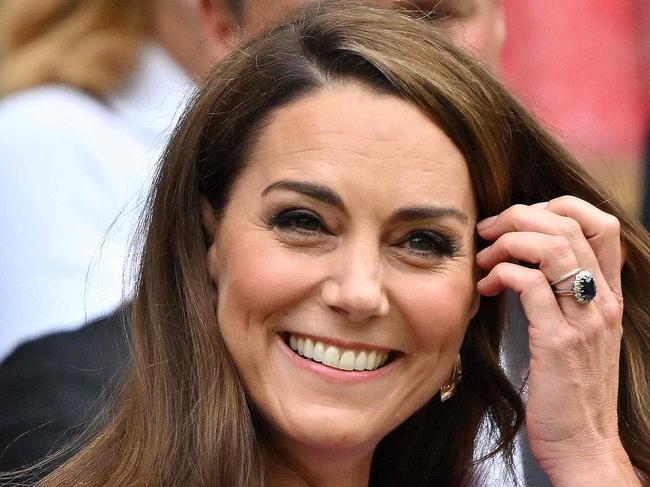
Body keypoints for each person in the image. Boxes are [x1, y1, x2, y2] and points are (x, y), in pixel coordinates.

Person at [8, 2, 645, 486]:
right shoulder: (59, 406)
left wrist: (585, 451)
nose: (358, 291)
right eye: (303, 223)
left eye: (422, 241)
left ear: (482, 291)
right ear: (208, 237)